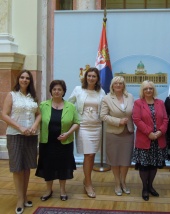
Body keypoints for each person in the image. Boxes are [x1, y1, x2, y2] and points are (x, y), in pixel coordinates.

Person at [2, 70, 41, 214]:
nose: (25, 80)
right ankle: (19, 199)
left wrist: (34, 126)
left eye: (27, 78)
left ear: (30, 81)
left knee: (26, 167)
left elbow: (39, 114)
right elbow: (4, 115)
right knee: (17, 168)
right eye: (22, 77)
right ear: (18, 79)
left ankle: (24, 196)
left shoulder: (33, 97)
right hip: (15, 135)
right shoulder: (12, 95)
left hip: (31, 135)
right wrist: (20, 127)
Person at [35, 80, 80, 202]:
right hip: (47, 142)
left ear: (64, 91)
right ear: (51, 91)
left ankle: (62, 190)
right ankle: (48, 190)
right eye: (54, 89)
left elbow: (77, 122)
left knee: (63, 166)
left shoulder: (70, 106)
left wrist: (68, 133)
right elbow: (36, 120)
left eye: (59, 89)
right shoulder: (43, 105)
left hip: (64, 142)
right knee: (48, 166)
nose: (57, 91)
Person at [68, 67, 105, 198]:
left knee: (92, 154)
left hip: (96, 126)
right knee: (88, 155)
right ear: (85, 77)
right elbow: (69, 104)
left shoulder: (101, 92)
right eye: (89, 76)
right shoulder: (78, 90)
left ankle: (86, 179)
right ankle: (88, 184)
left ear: (97, 79)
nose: (91, 78)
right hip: (83, 126)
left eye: (94, 76)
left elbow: (105, 108)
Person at [132, 80, 168, 201]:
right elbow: (136, 119)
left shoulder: (160, 103)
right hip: (144, 140)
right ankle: (144, 188)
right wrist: (149, 133)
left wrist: (159, 132)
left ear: (154, 90)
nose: (148, 90)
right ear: (142, 90)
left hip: (158, 140)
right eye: (146, 88)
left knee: (154, 165)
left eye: (151, 88)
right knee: (144, 165)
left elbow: (165, 120)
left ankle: (151, 186)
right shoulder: (138, 103)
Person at [100, 76, 134, 196]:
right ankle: (117, 183)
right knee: (114, 160)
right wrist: (118, 121)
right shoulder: (106, 98)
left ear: (124, 85)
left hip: (128, 132)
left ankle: (124, 182)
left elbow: (133, 112)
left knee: (125, 160)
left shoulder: (129, 97)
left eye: (121, 83)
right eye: (116, 83)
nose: (118, 85)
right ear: (112, 85)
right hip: (113, 133)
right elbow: (103, 116)